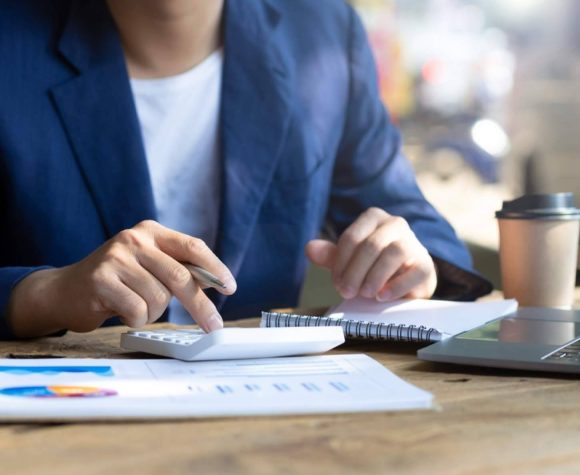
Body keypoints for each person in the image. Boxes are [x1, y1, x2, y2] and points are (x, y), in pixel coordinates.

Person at [0, 0, 491, 340]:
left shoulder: (321, 34)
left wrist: (409, 263)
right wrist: (46, 294)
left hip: (264, 411)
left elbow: (410, 219)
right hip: (59, 414)